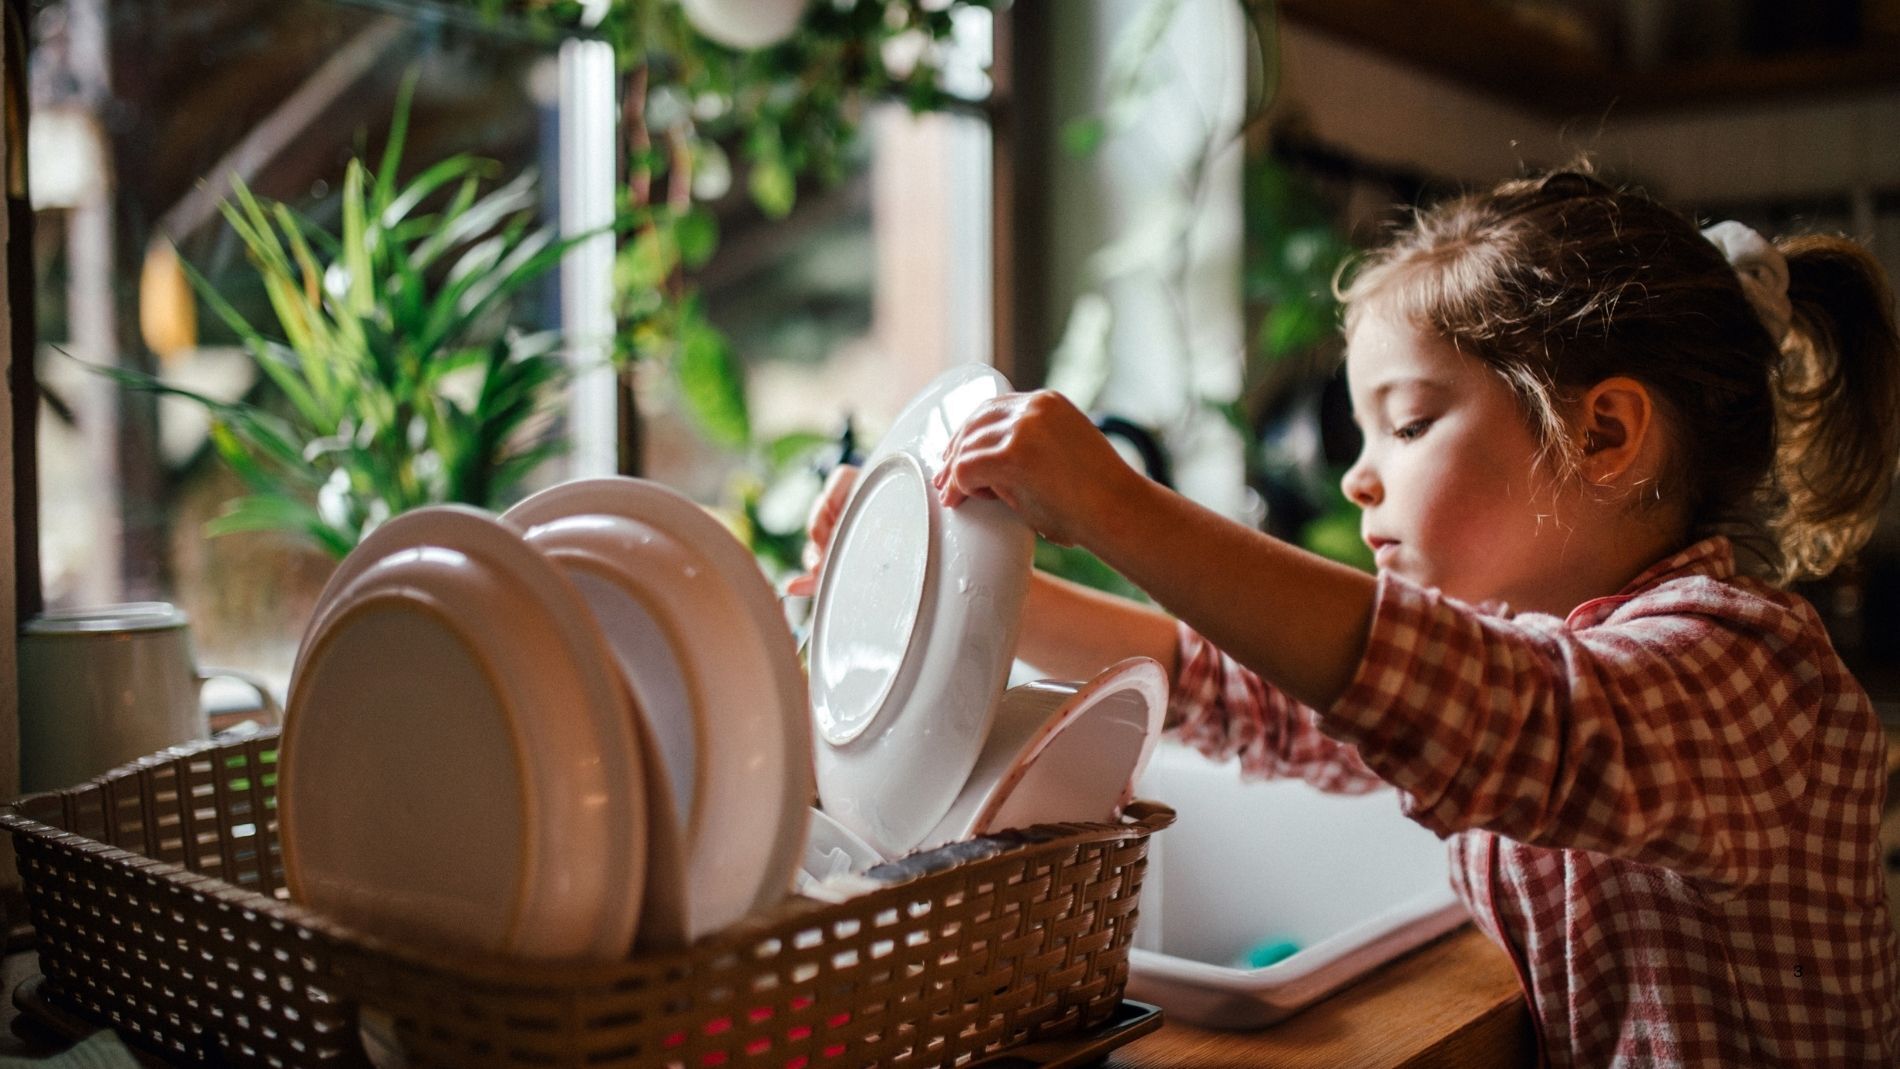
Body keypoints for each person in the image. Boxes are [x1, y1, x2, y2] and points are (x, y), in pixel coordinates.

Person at [789, 169, 1900, 1065]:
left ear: (1603, 437)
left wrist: (1116, 506)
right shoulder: (1530, 657)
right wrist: (969, 591)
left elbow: (1509, 717)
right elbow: (1237, 689)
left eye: (1407, 424)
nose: (1358, 479)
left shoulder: (1750, 668)